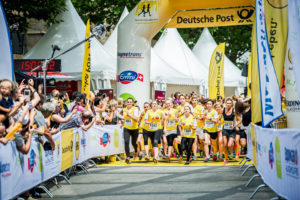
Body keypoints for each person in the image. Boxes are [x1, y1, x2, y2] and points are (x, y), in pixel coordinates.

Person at [123, 98, 139, 164]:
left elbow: (136, 119)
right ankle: (128, 157)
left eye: (130, 102)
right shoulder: (124, 109)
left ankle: (135, 150)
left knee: (134, 143)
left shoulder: (135, 109)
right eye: (128, 102)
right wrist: (122, 123)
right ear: (126, 103)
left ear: (133, 103)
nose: (129, 103)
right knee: (126, 141)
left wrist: (129, 115)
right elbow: (124, 118)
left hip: (134, 128)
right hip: (126, 128)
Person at [222, 98, 236, 165]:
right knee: (225, 144)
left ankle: (231, 152)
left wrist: (234, 125)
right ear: (225, 103)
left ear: (232, 104)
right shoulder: (223, 110)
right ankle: (226, 158)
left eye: (229, 103)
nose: (228, 104)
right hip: (225, 129)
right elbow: (219, 117)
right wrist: (219, 121)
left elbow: (240, 119)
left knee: (229, 144)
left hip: (232, 130)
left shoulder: (234, 111)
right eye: (227, 103)